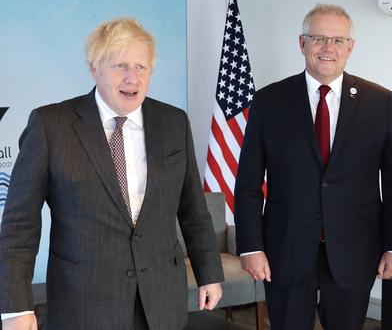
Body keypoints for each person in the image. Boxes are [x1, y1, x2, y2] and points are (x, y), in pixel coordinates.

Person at [0, 18, 224, 330]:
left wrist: (209, 273)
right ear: (95, 68)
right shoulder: (50, 126)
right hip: (84, 303)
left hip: (160, 302)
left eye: (141, 67)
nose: (132, 78)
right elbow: (19, 225)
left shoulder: (173, 122)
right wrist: (14, 307)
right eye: (121, 65)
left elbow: (193, 209)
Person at [234, 4, 392, 330]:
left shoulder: (379, 101)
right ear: (302, 44)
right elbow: (247, 182)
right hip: (284, 250)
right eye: (318, 38)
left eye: (337, 40)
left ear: (350, 47)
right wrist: (250, 246)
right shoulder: (269, 101)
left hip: (354, 249)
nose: (328, 48)